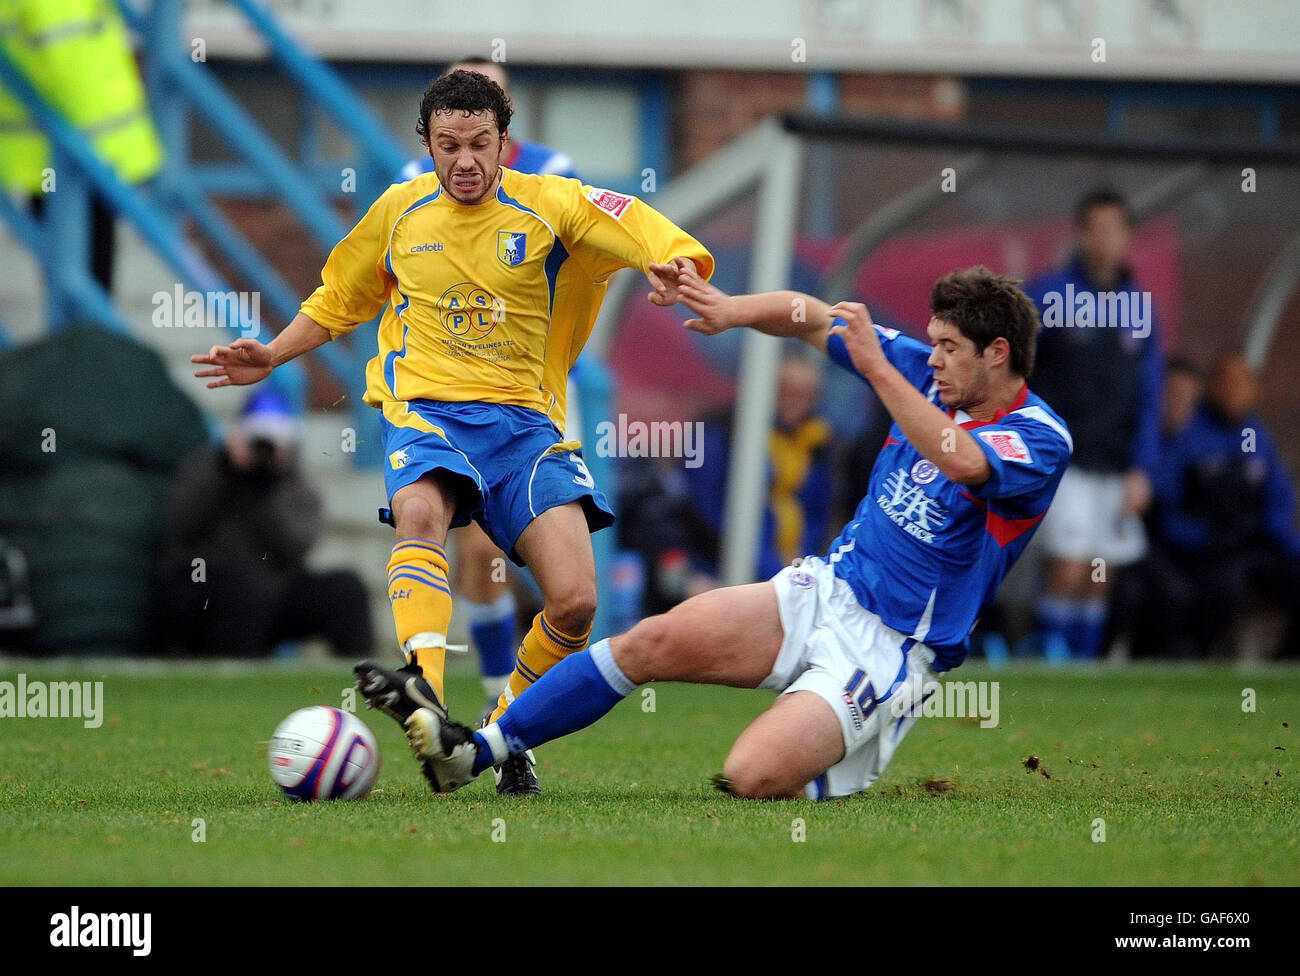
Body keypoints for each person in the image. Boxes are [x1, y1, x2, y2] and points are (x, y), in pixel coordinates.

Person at [191, 70, 714, 794]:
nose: (463, 161)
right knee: (420, 513)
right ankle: (424, 688)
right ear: (427, 147)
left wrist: (677, 265)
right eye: (447, 146)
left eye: (478, 144)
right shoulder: (399, 212)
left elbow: (640, 227)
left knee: (575, 603)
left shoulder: (554, 205)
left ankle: (496, 736)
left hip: (528, 426)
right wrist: (274, 353)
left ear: (505, 143)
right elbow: (340, 296)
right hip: (426, 409)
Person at [404, 264, 1072, 800]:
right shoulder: (929, 374)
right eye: (932, 345)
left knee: (751, 775)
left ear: (999, 354)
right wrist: (732, 309)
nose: (934, 360)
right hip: (826, 590)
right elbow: (808, 317)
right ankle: (475, 752)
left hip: (892, 648)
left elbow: (961, 458)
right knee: (648, 641)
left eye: (949, 349)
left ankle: (855, 737)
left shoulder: (1038, 438)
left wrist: (876, 368)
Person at [397, 57, 580, 721]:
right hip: (448, 389)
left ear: (505, 119)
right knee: (468, 542)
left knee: (557, 568)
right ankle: (485, 694)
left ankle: (508, 703)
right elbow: (385, 282)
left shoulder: (554, 176)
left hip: (536, 389)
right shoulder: (413, 186)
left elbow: (589, 254)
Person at [1021, 188, 1162, 661]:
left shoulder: (1140, 308)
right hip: (1064, 458)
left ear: (1127, 237)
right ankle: (1050, 657)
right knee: (1068, 563)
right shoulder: (1049, 295)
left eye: (1115, 230)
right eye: (1096, 230)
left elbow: (1150, 390)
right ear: (1081, 235)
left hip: (1116, 462)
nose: (1106, 240)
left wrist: (1143, 466)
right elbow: (1019, 370)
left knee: (1102, 568)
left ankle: (1082, 665)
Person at [155, 391, 372, 658]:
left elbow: (296, 546)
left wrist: (267, 485)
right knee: (246, 590)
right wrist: (230, 471)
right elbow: (181, 523)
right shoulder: (208, 467)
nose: (262, 449)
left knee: (345, 589)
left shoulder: (290, 482)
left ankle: (360, 679)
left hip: (271, 591)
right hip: (206, 592)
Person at [0, 0, 164, 293]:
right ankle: (84, 331)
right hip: (80, 149)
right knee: (83, 268)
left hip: (65, 150)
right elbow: (68, 71)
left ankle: (83, 330)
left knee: (76, 264)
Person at [1146, 352, 1300, 658]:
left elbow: (1278, 500)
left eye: (1243, 383)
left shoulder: (1255, 436)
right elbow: (1167, 503)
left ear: (1256, 389)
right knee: (1223, 588)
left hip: (1252, 545)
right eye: (1226, 382)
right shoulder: (1190, 430)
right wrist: (1205, 538)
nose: (1234, 390)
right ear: (1211, 387)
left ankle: (1284, 667)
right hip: (1203, 550)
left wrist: (1283, 543)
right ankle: (1196, 659)